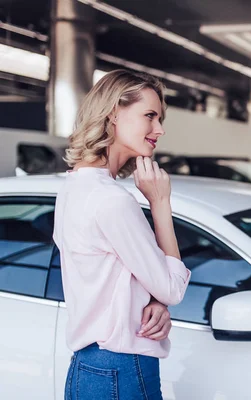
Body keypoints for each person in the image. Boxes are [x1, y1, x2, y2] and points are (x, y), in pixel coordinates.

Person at [53, 69, 191, 399]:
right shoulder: (112, 200)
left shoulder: (74, 186)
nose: (160, 129)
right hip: (121, 369)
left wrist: (152, 298)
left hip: (87, 370)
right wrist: (159, 203)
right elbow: (172, 288)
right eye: (150, 116)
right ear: (114, 112)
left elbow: (118, 274)